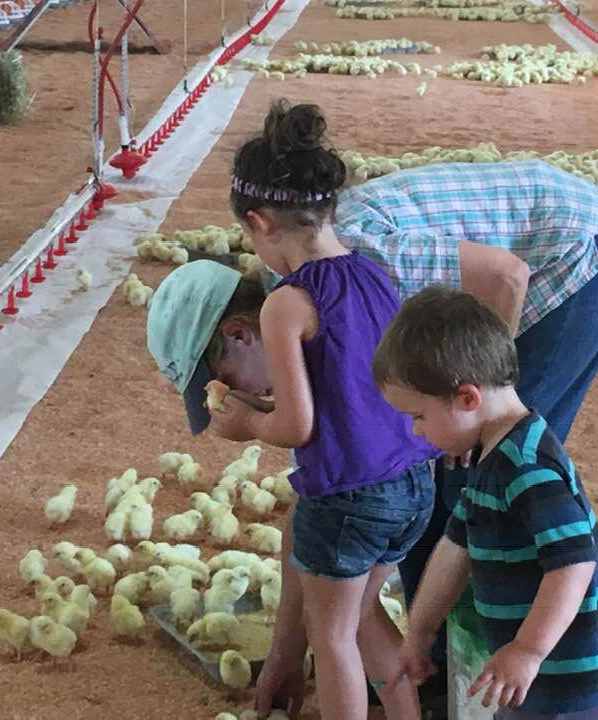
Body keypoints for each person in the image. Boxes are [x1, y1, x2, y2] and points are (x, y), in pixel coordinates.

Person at [146, 100, 439, 720]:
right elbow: (362, 383)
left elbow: (298, 426)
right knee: (361, 618)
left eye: (252, 238)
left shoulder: (285, 304)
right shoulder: (374, 272)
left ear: (259, 222)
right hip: (413, 481)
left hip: (348, 495)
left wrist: (245, 424)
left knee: (330, 637)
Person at [374, 286, 598, 719]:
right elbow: (453, 546)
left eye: (418, 416)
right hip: (538, 671)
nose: (416, 432)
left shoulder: (526, 467)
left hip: (575, 673)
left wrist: (527, 650)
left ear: (467, 399)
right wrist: (419, 634)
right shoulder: (491, 457)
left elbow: (574, 564)